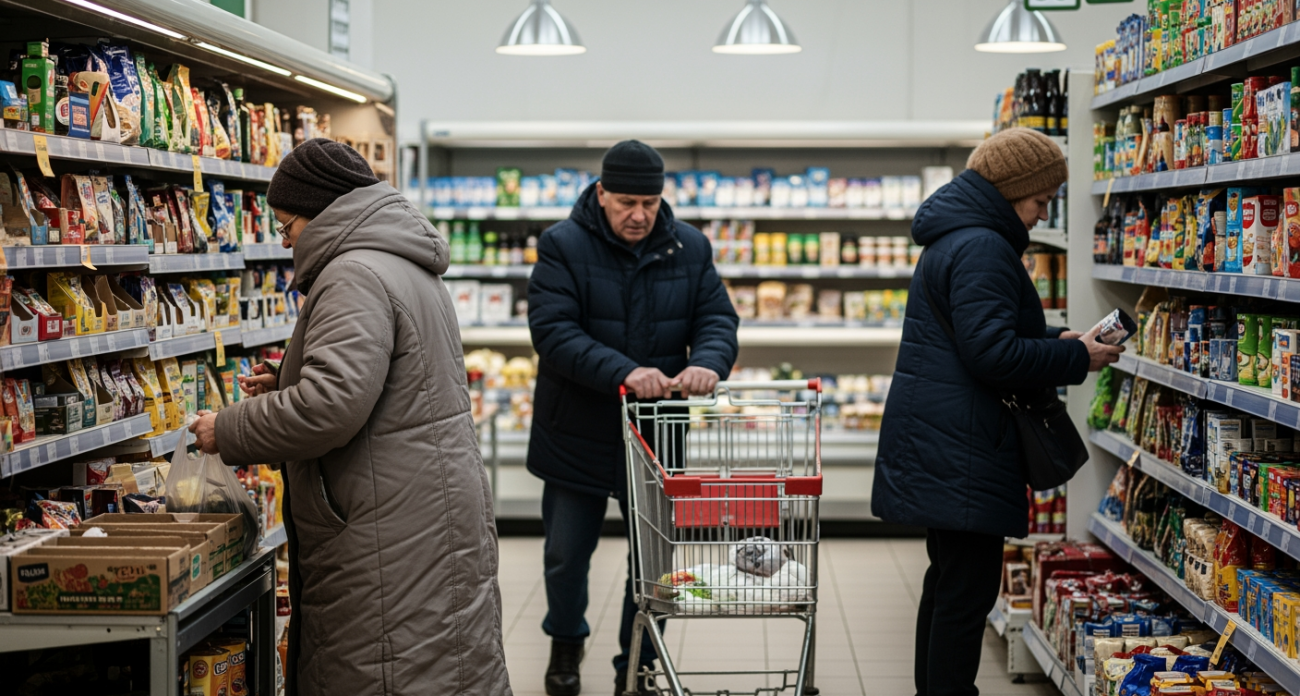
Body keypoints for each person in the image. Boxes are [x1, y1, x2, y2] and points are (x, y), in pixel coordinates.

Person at [189, 138, 512, 696]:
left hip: (385, 524)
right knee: (440, 664)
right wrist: (286, 379)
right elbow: (383, 384)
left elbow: (330, 407)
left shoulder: (353, 274)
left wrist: (230, 429)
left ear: (320, 212)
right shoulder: (401, 262)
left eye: (285, 222)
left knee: (384, 669)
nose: (283, 238)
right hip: (419, 507)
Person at [872, 128, 1123, 696]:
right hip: (963, 445)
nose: (1041, 215)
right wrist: (1074, 357)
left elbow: (982, 331)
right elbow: (991, 354)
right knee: (964, 594)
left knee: (948, 585)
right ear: (1013, 192)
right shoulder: (983, 245)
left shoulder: (961, 237)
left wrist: (1059, 337)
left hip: (945, 438)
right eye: (1039, 202)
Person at [527, 140, 739, 696]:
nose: (639, 215)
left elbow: (717, 318)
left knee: (653, 562)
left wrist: (710, 364)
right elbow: (553, 333)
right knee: (565, 556)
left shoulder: (688, 246)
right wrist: (625, 372)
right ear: (601, 194)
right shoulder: (562, 244)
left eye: (648, 202)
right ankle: (566, 644)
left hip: (655, 432)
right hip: (576, 428)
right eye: (625, 202)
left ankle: (640, 661)